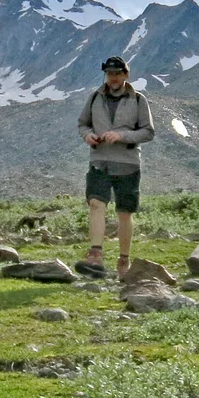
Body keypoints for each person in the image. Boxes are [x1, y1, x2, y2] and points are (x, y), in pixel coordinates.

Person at [76, 56, 155, 277]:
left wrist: (121, 135)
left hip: (127, 163)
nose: (113, 78)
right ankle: (95, 255)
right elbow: (82, 123)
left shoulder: (139, 100)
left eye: (118, 74)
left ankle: (123, 261)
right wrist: (88, 136)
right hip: (99, 160)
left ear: (126, 75)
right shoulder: (94, 98)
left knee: (124, 212)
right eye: (110, 74)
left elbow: (148, 132)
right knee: (95, 203)